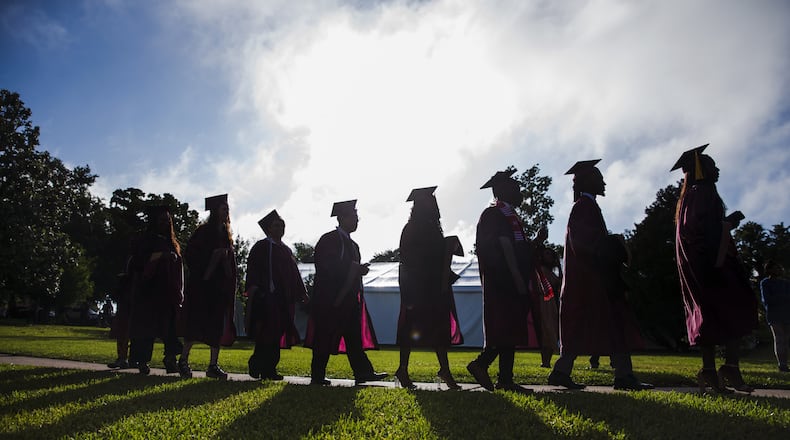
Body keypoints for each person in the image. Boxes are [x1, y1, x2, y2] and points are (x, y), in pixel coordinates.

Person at [548, 160, 652, 391]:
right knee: (607, 324)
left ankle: (565, 371)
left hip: (592, 279)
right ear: (588, 181)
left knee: (606, 325)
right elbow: (585, 243)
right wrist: (615, 243)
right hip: (590, 280)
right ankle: (620, 375)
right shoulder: (584, 207)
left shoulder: (587, 206)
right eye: (599, 177)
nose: (604, 181)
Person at [673, 144, 759, 393]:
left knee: (709, 316)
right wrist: (728, 224)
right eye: (712, 165)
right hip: (713, 263)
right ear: (701, 170)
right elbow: (702, 231)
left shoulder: (689, 196)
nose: (717, 169)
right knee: (737, 306)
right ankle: (730, 366)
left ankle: (710, 372)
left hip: (700, 263)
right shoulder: (703, 193)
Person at [467, 170, 543, 393]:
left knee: (510, 328)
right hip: (502, 279)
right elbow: (504, 247)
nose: (519, 191)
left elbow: (517, 247)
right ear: (501, 190)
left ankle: (505, 379)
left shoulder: (508, 215)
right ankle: (482, 365)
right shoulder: (493, 214)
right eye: (514, 187)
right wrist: (517, 277)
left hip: (509, 277)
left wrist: (536, 242)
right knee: (505, 326)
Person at [304, 200, 387, 386]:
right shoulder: (329, 240)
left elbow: (351, 269)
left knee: (353, 337)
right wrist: (354, 269)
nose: (356, 221)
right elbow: (326, 267)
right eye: (353, 217)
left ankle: (363, 372)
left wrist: (357, 271)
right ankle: (317, 376)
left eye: (357, 217)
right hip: (330, 297)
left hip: (349, 298)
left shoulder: (353, 245)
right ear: (341, 218)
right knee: (324, 336)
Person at [395, 186, 464, 390]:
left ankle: (444, 370)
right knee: (411, 328)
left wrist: (447, 246)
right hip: (417, 286)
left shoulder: (433, 228)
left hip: (433, 284)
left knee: (439, 326)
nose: (434, 205)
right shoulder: (411, 228)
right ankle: (403, 369)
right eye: (429, 202)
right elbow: (407, 257)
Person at [245, 210, 309, 380]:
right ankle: (260, 365)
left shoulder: (286, 250)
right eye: (276, 225)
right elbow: (253, 270)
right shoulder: (262, 247)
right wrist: (256, 290)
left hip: (283, 299)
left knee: (277, 334)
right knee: (267, 333)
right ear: (268, 228)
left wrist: (302, 293)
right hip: (267, 297)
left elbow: (294, 274)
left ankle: (268, 368)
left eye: (282, 226)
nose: (280, 228)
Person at [178, 194, 237, 380]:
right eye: (222, 207)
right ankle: (183, 361)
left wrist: (225, 260)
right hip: (202, 285)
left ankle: (213, 365)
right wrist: (212, 258)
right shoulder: (203, 231)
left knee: (216, 327)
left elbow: (230, 263)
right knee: (195, 324)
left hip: (218, 287)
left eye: (227, 207)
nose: (226, 210)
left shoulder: (226, 235)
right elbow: (190, 255)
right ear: (214, 210)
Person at [127, 205, 185, 375]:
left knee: (170, 328)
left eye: (168, 220)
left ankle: (170, 359)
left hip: (168, 291)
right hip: (149, 290)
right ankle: (143, 361)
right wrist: (160, 256)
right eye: (161, 220)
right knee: (147, 328)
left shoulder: (172, 243)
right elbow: (138, 263)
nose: (165, 223)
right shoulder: (146, 241)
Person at [761, 261, 790, 372]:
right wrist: (782, 298)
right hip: (774, 314)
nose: (777, 270)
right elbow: (767, 300)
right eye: (774, 268)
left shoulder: (786, 283)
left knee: (785, 340)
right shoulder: (766, 283)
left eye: (778, 268)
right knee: (779, 339)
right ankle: (781, 364)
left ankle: (785, 364)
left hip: (787, 314)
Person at [536, 247, 561, 368]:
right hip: (543, 302)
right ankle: (544, 361)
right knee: (546, 331)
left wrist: (560, 267)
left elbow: (560, 283)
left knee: (552, 330)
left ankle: (547, 361)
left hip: (553, 304)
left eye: (551, 254)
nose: (549, 256)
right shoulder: (540, 271)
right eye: (546, 254)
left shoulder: (552, 273)